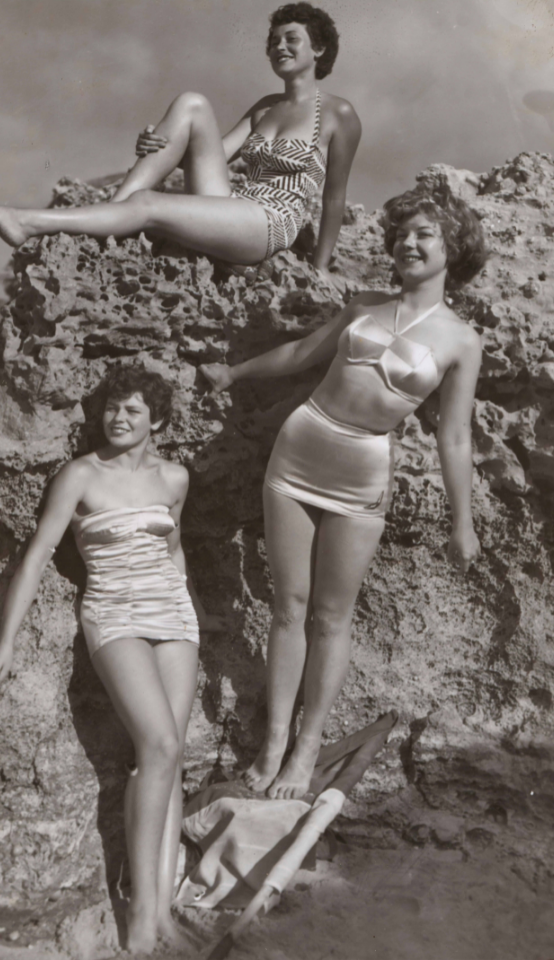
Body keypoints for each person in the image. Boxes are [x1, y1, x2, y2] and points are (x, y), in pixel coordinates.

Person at [200, 186, 487, 801]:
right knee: (287, 606)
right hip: (299, 449)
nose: (408, 243)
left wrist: (462, 522)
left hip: (362, 472)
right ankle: (273, 741)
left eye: (425, 234)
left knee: (331, 617)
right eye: (402, 233)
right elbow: (302, 354)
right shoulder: (363, 305)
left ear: (454, 247)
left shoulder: (462, 340)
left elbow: (456, 436)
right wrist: (234, 372)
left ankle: (306, 749)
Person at [0, 366, 225, 956]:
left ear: (158, 421)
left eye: (133, 410)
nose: (119, 418)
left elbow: (173, 549)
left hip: (173, 615)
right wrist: (6, 640)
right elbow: (38, 554)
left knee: (170, 758)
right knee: (158, 745)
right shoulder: (80, 474)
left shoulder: (174, 477)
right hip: (113, 613)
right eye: (113, 407)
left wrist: (195, 609)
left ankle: (161, 912)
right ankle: (139, 917)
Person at [0, 3, 360, 285]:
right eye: (273, 40)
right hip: (233, 206)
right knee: (192, 103)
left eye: (291, 39)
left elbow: (334, 198)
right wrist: (157, 142)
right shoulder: (264, 107)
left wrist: (321, 267)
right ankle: (116, 214)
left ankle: (26, 221)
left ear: (319, 48)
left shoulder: (338, 113)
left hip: (270, 223)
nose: (278, 46)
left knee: (148, 204)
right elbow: (207, 156)